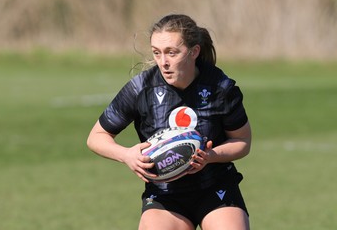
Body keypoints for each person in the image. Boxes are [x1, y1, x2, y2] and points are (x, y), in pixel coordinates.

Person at [87, 14, 252, 230]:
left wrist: (210, 157)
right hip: (165, 194)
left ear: (194, 52)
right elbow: (96, 137)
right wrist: (127, 155)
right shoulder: (141, 89)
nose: (163, 62)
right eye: (157, 53)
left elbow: (242, 141)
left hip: (215, 186)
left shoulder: (220, 88)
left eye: (171, 53)